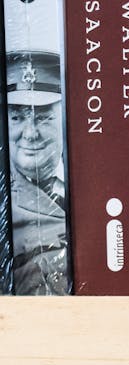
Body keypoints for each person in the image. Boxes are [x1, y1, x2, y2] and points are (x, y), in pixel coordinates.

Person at [6, 50, 70, 294]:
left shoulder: (92, 173)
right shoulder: (7, 199)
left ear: (63, 117)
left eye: (42, 118)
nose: (30, 133)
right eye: (17, 117)